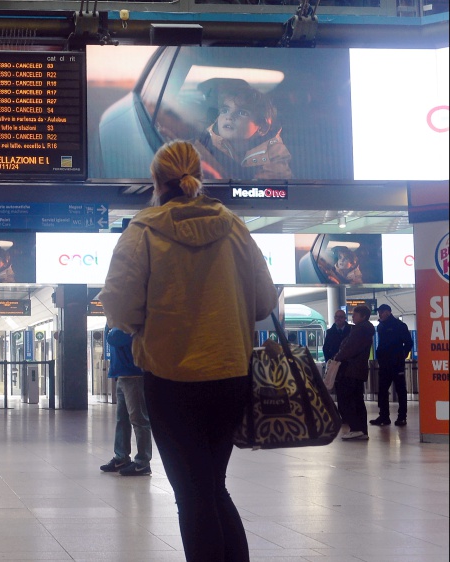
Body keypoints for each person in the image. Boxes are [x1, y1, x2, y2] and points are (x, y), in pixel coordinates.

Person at [99, 141, 277, 562]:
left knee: (192, 493)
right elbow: (266, 301)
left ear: (156, 182)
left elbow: (120, 307)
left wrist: (149, 325)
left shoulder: (143, 231)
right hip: (231, 376)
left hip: (171, 380)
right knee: (213, 485)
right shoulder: (235, 228)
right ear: (199, 175)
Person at [193, 83, 292, 181]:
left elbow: (273, 186)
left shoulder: (275, 152)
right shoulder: (204, 145)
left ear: (262, 127)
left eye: (242, 113)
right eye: (225, 110)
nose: (229, 117)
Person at [100, 327, 152, 476]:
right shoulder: (117, 320)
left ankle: (143, 462)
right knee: (121, 419)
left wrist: (111, 326)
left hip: (134, 374)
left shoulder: (129, 319)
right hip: (122, 373)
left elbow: (114, 338)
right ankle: (121, 456)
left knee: (139, 419)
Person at [333, 305, 376, 441]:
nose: (352, 317)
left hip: (351, 370)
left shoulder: (360, 330)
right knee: (357, 400)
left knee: (348, 400)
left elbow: (350, 348)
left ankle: (356, 428)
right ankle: (361, 430)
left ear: (363, 316)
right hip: (358, 370)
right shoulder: (364, 329)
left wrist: (338, 356)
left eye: (355, 315)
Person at [372, 304, 414, 427]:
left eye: (382, 312)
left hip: (397, 364)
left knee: (401, 390)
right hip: (384, 364)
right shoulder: (380, 326)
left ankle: (402, 417)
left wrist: (401, 356)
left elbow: (408, 343)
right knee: (382, 391)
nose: (380, 314)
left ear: (389, 312)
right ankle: (384, 416)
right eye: (379, 312)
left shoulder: (399, 326)